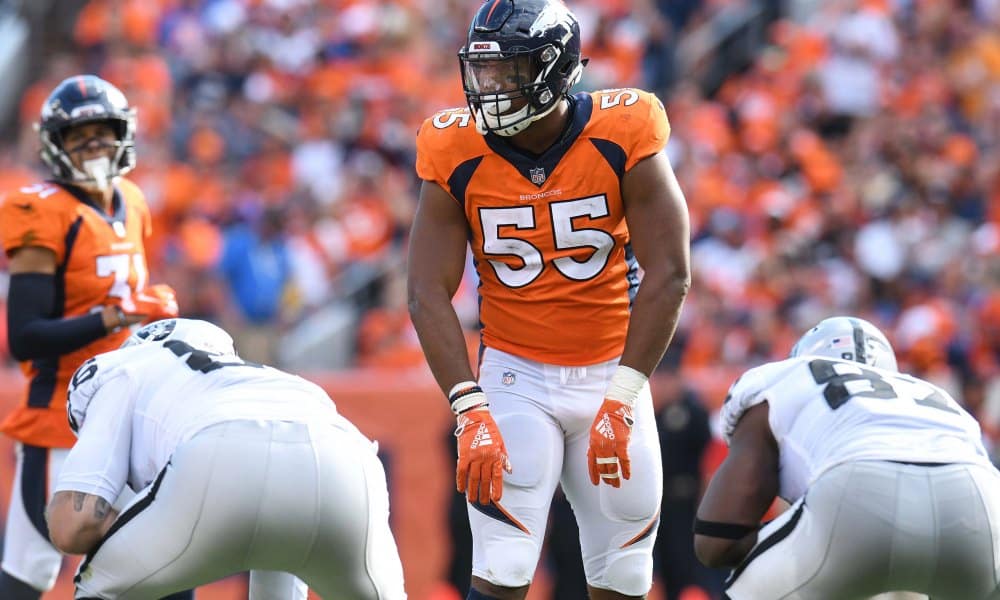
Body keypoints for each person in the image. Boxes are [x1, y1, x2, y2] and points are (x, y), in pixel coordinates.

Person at [407, 0, 691, 598]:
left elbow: (671, 273)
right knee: (503, 569)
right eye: (482, 72)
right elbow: (426, 289)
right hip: (516, 377)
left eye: (507, 72)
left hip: (611, 373)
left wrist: (623, 396)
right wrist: (468, 407)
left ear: (553, 68)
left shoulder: (624, 131)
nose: (489, 89)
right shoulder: (453, 146)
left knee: (624, 574)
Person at [45, 318, 407, 599]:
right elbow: (279, 531)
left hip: (219, 453)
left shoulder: (123, 369)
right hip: (349, 460)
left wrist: (143, 524)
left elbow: (72, 524)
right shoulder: (277, 381)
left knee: (98, 587)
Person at [0, 74, 178, 600]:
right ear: (56, 145)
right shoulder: (39, 209)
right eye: (80, 136)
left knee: (166, 567)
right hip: (60, 419)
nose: (93, 145)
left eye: (102, 132)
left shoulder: (134, 201)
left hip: (130, 417)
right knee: (29, 573)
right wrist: (116, 315)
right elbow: (26, 337)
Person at [694, 316, 1000, 599]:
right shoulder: (935, 395)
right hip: (983, 506)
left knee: (747, 587)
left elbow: (716, 541)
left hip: (859, 492)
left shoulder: (786, 378)